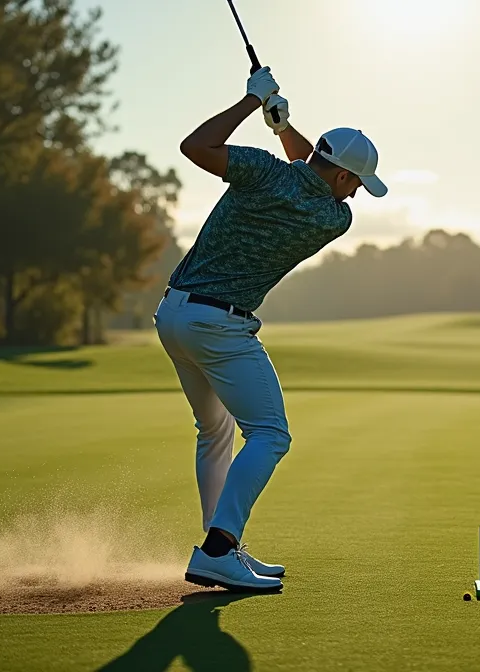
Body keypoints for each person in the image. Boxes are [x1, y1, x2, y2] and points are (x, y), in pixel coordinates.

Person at [154, 65, 387, 592]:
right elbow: (309, 172)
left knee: (214, 433)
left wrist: (254, 108)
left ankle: (221, 545)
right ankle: (218, 548)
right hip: (220, 327)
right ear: (345, 178)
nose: (354, 198)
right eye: (356, 186)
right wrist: (276, 122)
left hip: (173, 313)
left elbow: (200, 147)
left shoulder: (261, 171)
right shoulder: (332, 217)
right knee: (270, 434)